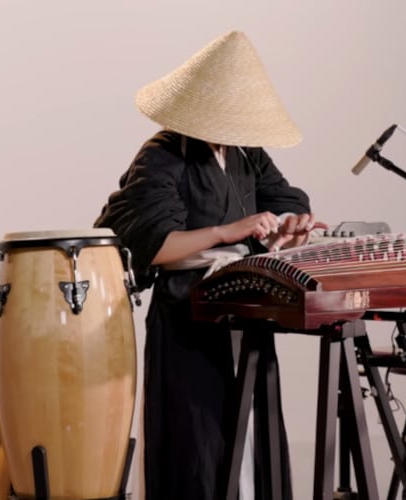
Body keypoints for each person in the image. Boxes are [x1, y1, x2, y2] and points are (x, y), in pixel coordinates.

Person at [95, 30, 322, 500]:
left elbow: (281, 201)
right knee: (197, 444)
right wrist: (226, 232)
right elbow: (146, 245)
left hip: (244, 307)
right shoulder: (161, 155)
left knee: (253, 438)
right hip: (187, 318)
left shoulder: (244, 153)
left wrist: (287, 228)